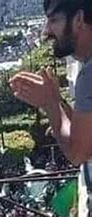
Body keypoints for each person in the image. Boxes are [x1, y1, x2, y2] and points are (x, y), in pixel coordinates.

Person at [9, 0, 92, 165]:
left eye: (53, 20)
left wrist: (50, 104)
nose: (46, 31)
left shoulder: (89, 75)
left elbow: (78, 153)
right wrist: (57, 100)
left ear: (79, 19)